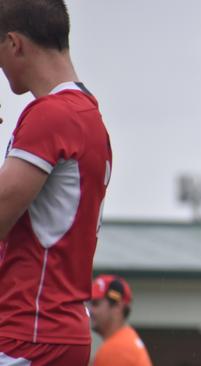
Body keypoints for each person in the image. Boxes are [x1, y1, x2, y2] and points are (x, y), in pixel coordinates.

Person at [0, 0, 112, 364]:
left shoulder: (50, 114)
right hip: (53, 327)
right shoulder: (87, 113)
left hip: (30, 330)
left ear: (14, 44)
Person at [90, 275, 153, 366]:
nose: (91, 311)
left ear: (118, 307)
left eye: (96, 304)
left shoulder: (117, 349)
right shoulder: (124, 341)